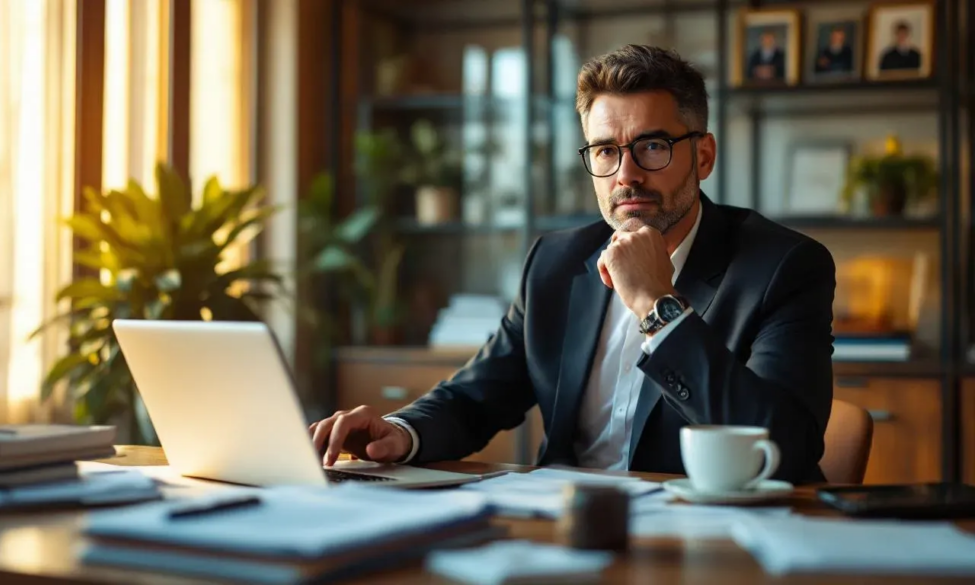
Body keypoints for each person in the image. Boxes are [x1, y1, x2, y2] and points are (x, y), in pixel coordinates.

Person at [310, 45, 836, 485]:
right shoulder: (556, 262)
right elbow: (477, 396)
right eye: (606, 150)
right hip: (566, 524)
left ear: (703, 156)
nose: (626, 174)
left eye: (652, 146)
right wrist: (400, 432)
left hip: (708, 539)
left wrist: (659, 306)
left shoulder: (784, 267)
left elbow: (783, 447)